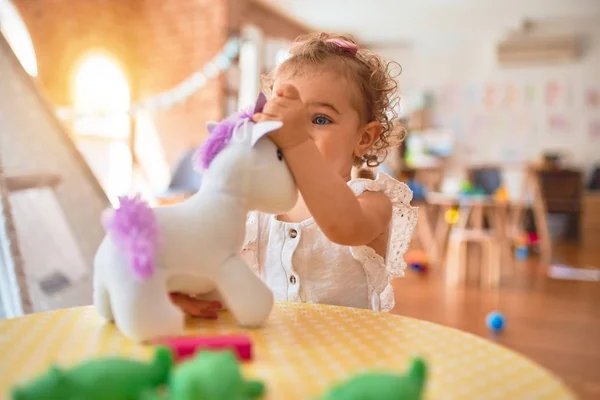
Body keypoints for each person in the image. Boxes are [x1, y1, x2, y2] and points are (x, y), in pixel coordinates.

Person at [171, 32, 417, 317]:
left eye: (320, 119)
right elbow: (216, 263)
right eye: (286, 121)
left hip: (350, 352)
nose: (294, 132)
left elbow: (344, 227)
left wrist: (297, 142)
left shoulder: (372, 200)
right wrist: (180, 289)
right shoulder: (257, 208)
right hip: (277, 349)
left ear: (364, 138)